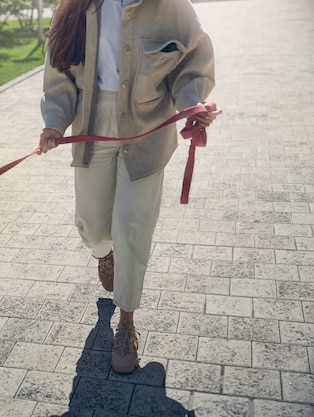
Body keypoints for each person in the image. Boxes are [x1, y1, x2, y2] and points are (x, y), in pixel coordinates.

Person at [38, 0, 222, 373]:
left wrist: (193, 103)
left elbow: (191, 64)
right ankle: (103, 253)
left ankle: (126, 322)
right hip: (92, 124)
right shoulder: (73, 7)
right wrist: (55, 121)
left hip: (146, 131)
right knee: (91, 224)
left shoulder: (172, 7)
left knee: (133, 225)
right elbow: (58, 74)